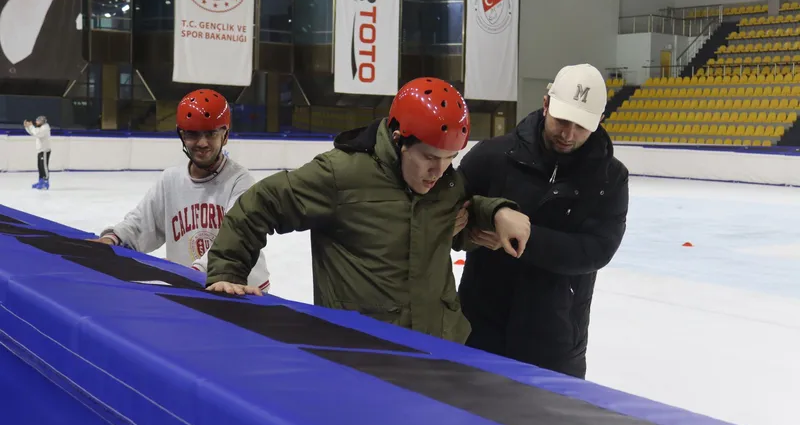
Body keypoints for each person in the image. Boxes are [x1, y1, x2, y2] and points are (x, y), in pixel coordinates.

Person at [203, 77, 531, 344]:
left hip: (440, 350)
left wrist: (495, 212)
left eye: (450, 159)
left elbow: (459, 216)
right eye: (430, 157)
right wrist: (228, 271)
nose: (439, 170)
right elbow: (261, 204)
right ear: (400, 139)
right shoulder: (341, 175)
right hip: (364, 353)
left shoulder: (445, 183)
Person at [457, 64, 629, 379]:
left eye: (581, 126)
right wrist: (485, 218)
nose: (568, 134)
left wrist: (523, 237)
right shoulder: (492, 156)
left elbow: (596, 250)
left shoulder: (610, 179)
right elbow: (447, 211)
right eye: (562, 120)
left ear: (600, 120)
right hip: (479, 330)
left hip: (556, 342)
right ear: (546, 103)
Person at [89, 89, 270, 292]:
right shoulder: (171, 180)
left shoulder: (240, 181)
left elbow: (235, 240)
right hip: (191, 286)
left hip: (241, 290)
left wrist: (193, 274)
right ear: (181, 135)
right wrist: (113, 239)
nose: (202, 143)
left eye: (211, 133)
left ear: (225, 135)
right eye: (193, 134)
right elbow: (141, 224)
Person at [24, 114, 50, 189]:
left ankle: (46, 182)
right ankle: (41, 181)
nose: (36, 122)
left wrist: (31, 125)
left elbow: (37, 133)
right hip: (40, 150)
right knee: (40, 166)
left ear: (42, 121)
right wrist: (27, 127)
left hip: (44, 150)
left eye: (37, 121)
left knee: (44, 167)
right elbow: (33, 133)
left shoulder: (45, 127)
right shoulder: (40, 128)